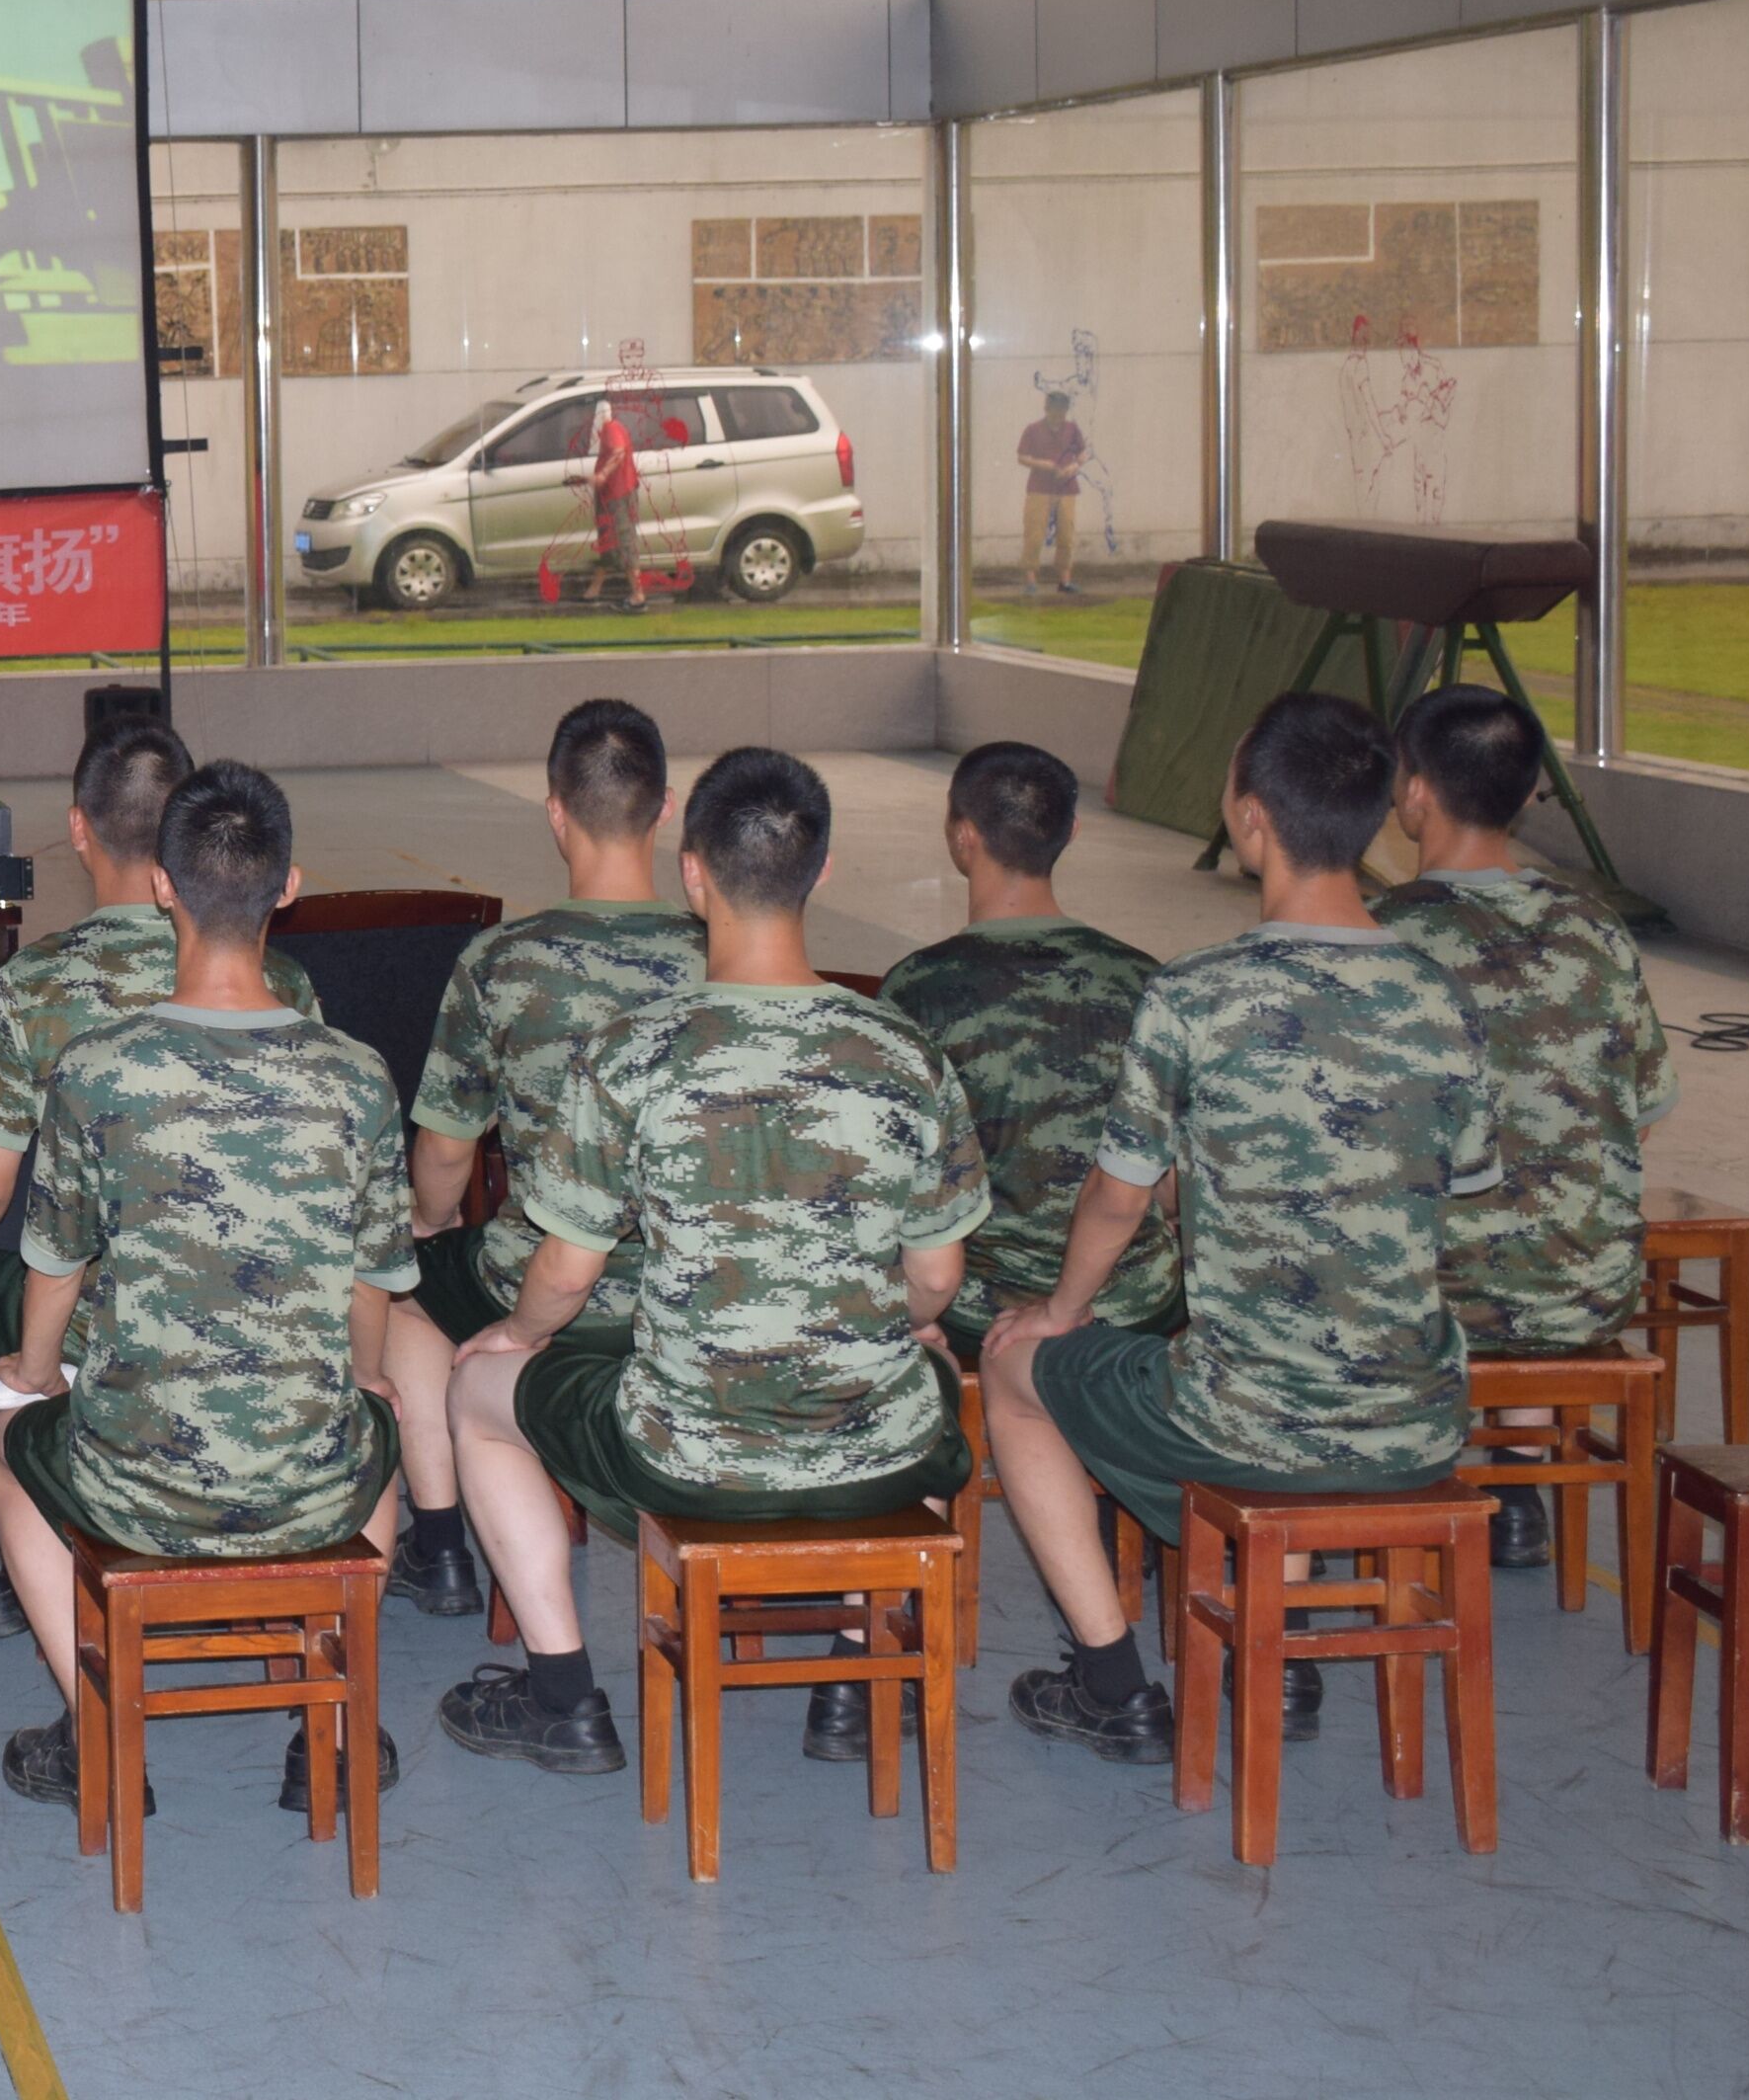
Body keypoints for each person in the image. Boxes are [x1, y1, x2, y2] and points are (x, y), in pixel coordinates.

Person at [439, 748, 984, 1777]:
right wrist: (895, 1311)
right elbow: (939, 1279)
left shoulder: (635, 1053)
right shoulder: (902, 1051)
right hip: (882, 1443)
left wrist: (512, 1335)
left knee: (475, 1393)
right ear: (818, 873)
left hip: (686, 1448)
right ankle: (845, 1677)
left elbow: (562, 1274)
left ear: (690, 873)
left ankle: (561, 1697)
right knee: (914, 1383)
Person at [980, 692, 1498, 1764]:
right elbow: (1456, 1198)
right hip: (1418, 1420)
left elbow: (1117, 1198)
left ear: (1251, 819)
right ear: (1372, 815)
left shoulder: (1194, 997)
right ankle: (1285, 1656)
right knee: (1278, 1342)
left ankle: (1110, 1684)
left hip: (1246, 1422)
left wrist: (1057, 1312)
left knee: (1014, 1372)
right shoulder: (1439, 998)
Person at [0, 762, 421, 1817]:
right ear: (288, 887)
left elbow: (54, 1263)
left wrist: (29, 1374)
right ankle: (334, 1730)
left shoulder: (99, 1068)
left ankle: (97, 1735)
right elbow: (370, 1283)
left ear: (163, 888)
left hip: (134, 1472)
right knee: (379, 1433)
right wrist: (361, 1379)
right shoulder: (354, 1073)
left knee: (7, 1449)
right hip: (308, 1471)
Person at [0, 719, 325, 1646]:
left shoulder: (38, 983)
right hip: (248, 1299)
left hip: (79, 1303)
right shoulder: (279, 975)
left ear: (80, 829)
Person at [374, 698, 707, 1620]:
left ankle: (439, 1547)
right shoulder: (727, 960)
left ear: (555, 811)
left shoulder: (501, 964)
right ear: (666, 807)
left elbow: (446, 1149)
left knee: (406, 1295)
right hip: (703, 1293)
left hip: (543, 1285)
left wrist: (431, 1226)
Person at [1380, 686, 1673, 1571]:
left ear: (1418, 792)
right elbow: (1640, 1117)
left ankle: (1374, 1478)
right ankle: (1515, 1485)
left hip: (1427, 1302)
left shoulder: (1382, 937)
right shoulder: (1597, 931)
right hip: (1584, 1286)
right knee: (1530, 1215)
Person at [875, 742, 1172, 1361]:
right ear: (1072, 830)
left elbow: (895, 1182)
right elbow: (1168, 1179)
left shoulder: (918, 989)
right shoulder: (1147, 980)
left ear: (962, 835)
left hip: (978, 1310)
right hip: (1135, 1301)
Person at [1019, 392, 1088, 597]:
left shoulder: (1072, 429)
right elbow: (1022, 457)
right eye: (1055, 409)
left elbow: (1083, 453)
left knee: (1067, 533)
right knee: (1034, 533)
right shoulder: (1033, 430)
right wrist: (1044, 465)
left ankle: (1064, 580)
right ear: (1047, 408)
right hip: (1039, 488)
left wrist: (1074, 466)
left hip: (1066, 488)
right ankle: (1031, 580)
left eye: (1062, 410)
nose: (1059, 414)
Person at [586, 392, 648, 612]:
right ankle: (594, 590)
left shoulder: (611, 428)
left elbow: (619, 452)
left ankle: (638, 596)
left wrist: (602, 474)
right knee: (609, 542)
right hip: (612, 494)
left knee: (623, 542)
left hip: (618, 495)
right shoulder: (614, 427)